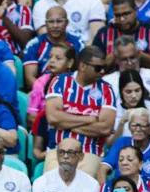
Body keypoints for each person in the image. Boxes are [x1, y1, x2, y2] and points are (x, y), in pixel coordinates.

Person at [43, 45, 116, 176]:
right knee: (54, 186)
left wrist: (64, 124)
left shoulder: (107, 90)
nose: (103, 72)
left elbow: (104, 129)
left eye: (104, 67)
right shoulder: (59, 82)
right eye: (98, 68)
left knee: (83, 186)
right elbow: (53, 118)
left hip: (90, 151)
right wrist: (89, 119)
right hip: (57, 150)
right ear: (82, 66)